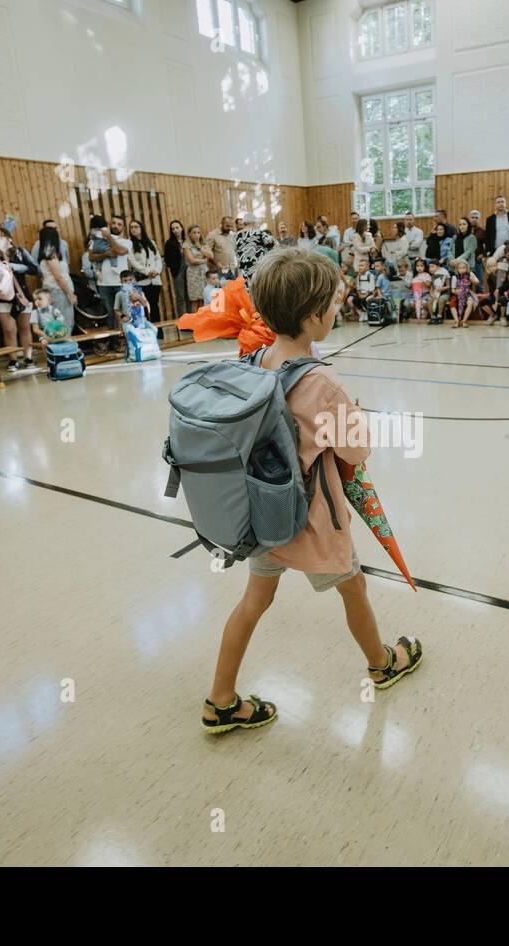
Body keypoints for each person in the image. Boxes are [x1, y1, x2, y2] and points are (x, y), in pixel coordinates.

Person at [199, 248, 422, 733]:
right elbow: (357, 451)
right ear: (312, 318)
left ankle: (220, 700)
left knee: (254, 602)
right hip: (314, 522)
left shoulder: (256, 358)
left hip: (264, 516)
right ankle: (383, 663)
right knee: (354, 587)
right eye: (333, 305)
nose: (338, 311)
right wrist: (352, 414)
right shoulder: (323, 383)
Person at [0, 235, 34, 370]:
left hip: (21, 295)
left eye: (1, 236)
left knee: (25, 328)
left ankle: (28, 357)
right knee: (8, 330)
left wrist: (14, 266)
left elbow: (34, 269)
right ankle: (13, 359)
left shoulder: (20, 252)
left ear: (9, 238)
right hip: (1, 295)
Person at [90, 214, 132, 329]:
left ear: (123, 228)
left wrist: (108, 237)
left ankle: (127, 338)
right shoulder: (98, 239)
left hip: (121, 283)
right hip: (103, 283)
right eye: (113, 223)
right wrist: (106, 254)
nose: (116, 226)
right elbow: (91, 257)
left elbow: (119, 250)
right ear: (109, 224)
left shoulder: (127, 242)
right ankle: (115, 340)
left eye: (119, 224)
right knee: (110, 314)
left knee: (125, 312)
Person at [34, 225, 76, 330]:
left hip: (54, 290)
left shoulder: (46, 255)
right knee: (64, 323)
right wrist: (70, 294)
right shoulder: (50, 256)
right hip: (59, 291)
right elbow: (59, 277)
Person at [127, 219, 163, 328]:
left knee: (155, 305)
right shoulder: (130, 244)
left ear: (141, 228)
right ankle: (147, 329)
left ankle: (158, 329)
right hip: (142, 280)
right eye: (131, 227)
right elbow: (132, 261)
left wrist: (156, 271)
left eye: (136, 226)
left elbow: (158, 259)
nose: (134, 229)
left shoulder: (151, 242)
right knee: (144, 305)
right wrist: (147, 271)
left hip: (155, 279)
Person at [449, 258, 478, 328]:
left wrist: (472, 279)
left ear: (467, 268)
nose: (462, 270)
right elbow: (452, 290)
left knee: (470, 302)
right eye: (460, 268)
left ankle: (464, 321)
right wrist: (457, 292)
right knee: (452, 303)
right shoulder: (455, 277)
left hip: (467, 293)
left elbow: (477, 282)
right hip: (458, 294)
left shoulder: (470, 274)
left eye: (464, 268)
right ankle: (456, 321)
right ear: (457, 269)